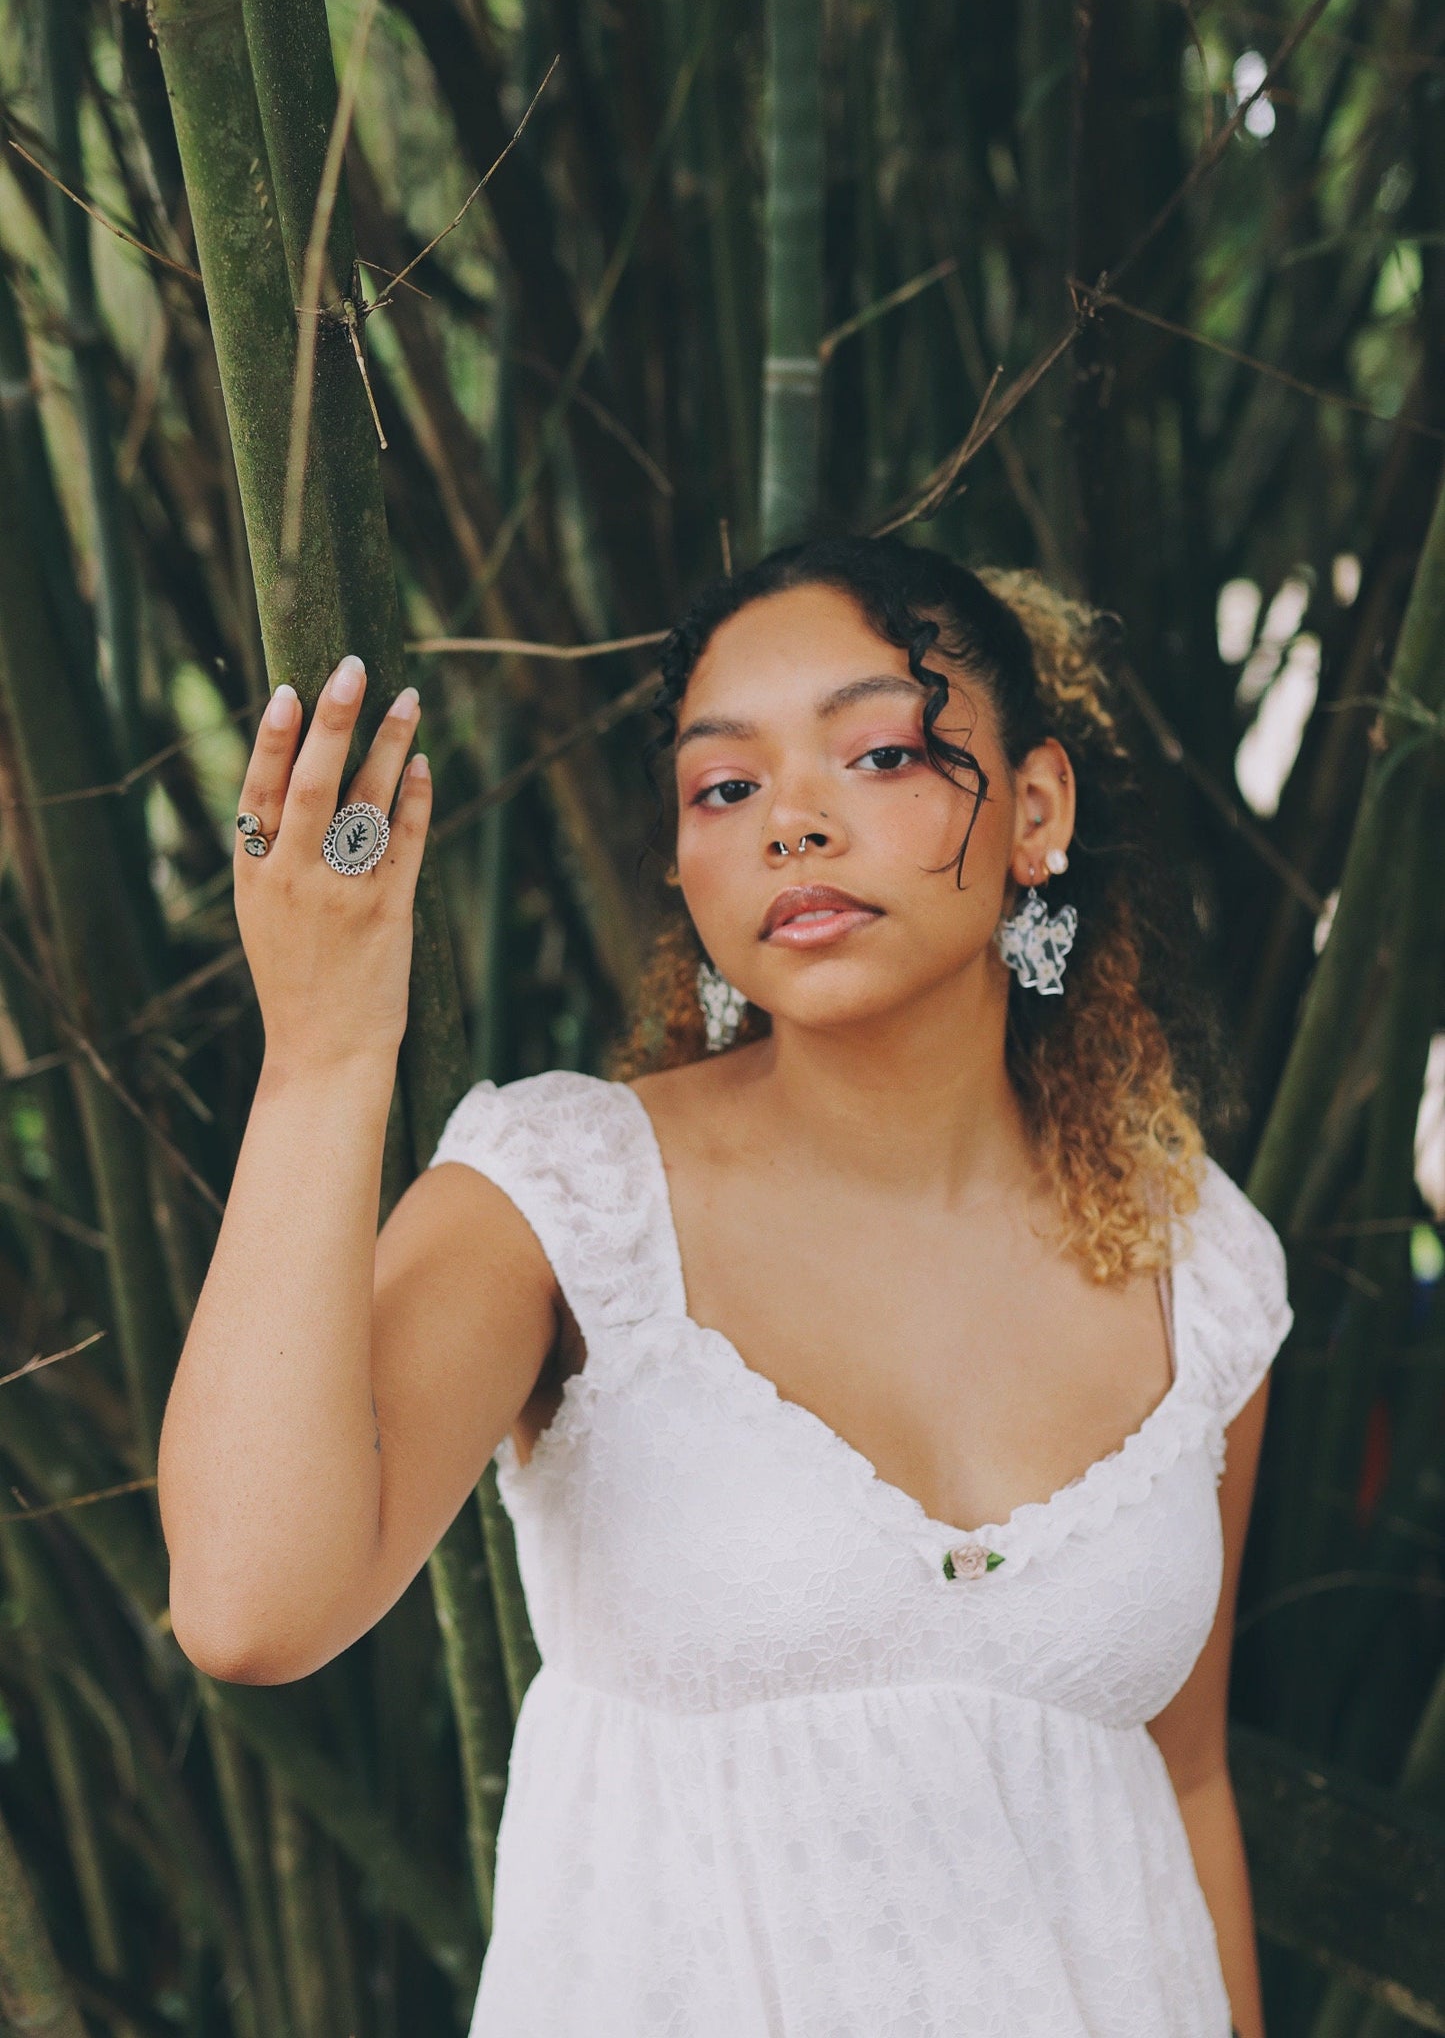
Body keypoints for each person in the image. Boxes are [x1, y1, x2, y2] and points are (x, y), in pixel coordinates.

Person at [159, 536, 1288, 2038]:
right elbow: (250, 1607)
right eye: (725, 787)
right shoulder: (566, 1200)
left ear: (1033, 811)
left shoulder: (1198, 1265)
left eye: (878, 752)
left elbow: (1183, 1776)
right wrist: (321, 1054)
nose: (792, 826)